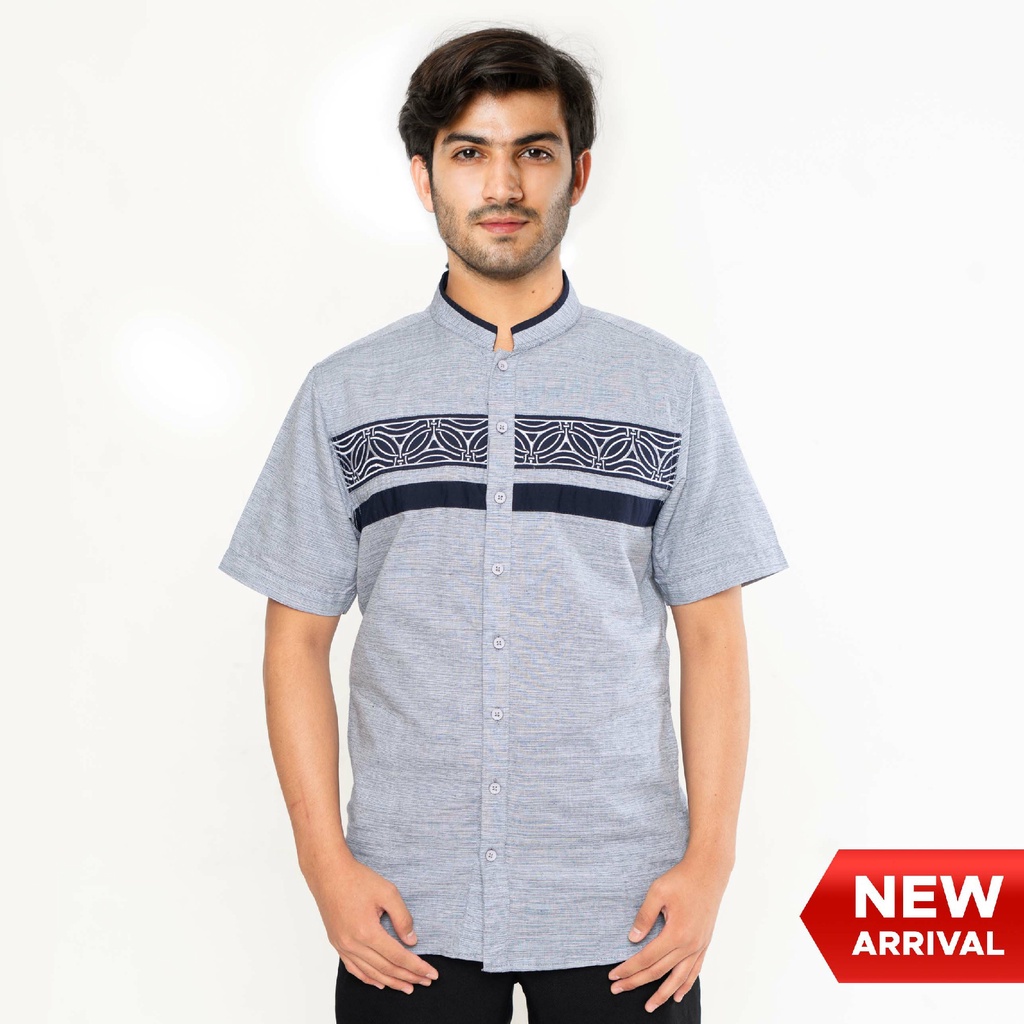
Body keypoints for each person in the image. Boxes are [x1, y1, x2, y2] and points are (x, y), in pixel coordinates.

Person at [218, 25, 788, 1024]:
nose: (503, 184)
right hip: (405, 911)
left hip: (626, 911)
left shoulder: (667, 388)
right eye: (469, 152)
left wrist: (710, 861)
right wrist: (325, 866)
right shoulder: (345, 394)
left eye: (534, 150)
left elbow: (712, 635)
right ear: (423, 175)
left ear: (580, 171)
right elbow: (294, 641)